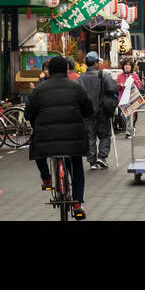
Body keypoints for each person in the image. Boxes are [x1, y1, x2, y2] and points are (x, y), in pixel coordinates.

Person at [26, 54, 94, 220]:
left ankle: (47, 179)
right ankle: (77, 203)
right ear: (67, 69)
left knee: (38, 151)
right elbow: (88, 110)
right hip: (73, 138)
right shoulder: (76, 87)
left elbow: (28, 114)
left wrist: (36, 123)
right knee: (76, 166)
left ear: (49, 70)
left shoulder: (39, 90)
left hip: (46, 138)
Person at [79, 52, 116, 168]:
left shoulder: (80, 78)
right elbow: (113, 89)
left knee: (90, 136)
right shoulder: (104, 76)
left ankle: (92, 161)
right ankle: (102, 157)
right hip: (102, 111)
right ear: (95, 63)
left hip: (86, 113)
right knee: (105, 135)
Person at [115, 58, 143, 137]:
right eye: (125, 65)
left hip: (132, 99)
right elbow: (116, 88)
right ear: (123, 67)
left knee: (129, 115)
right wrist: (119, 85)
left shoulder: (134, 75)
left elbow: (140, 86)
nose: (127, 67)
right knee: (124, 115)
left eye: (128, 65)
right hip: (122, 99)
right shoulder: (120, 76)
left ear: (131, 67)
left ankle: (128, 132)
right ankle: (131, 127)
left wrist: (134, 82)